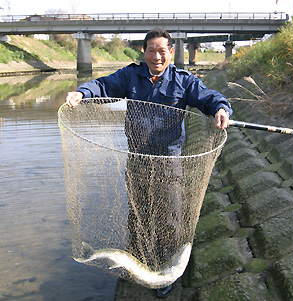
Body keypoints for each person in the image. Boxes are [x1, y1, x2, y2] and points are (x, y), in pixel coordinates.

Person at [65, 28, 232, 298]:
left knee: (168, 219)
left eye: (162, 51)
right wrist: (81, 93)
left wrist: (222, 109)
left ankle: (164, 273)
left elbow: (210, 97)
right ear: (143, 51)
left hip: (168, 163)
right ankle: (138, 263)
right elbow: (102, 85)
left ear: (170, 53)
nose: (156, 56)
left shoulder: (183, 81)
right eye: (151, 50)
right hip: (137, 161)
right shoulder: (130, 75)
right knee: (138, 216)